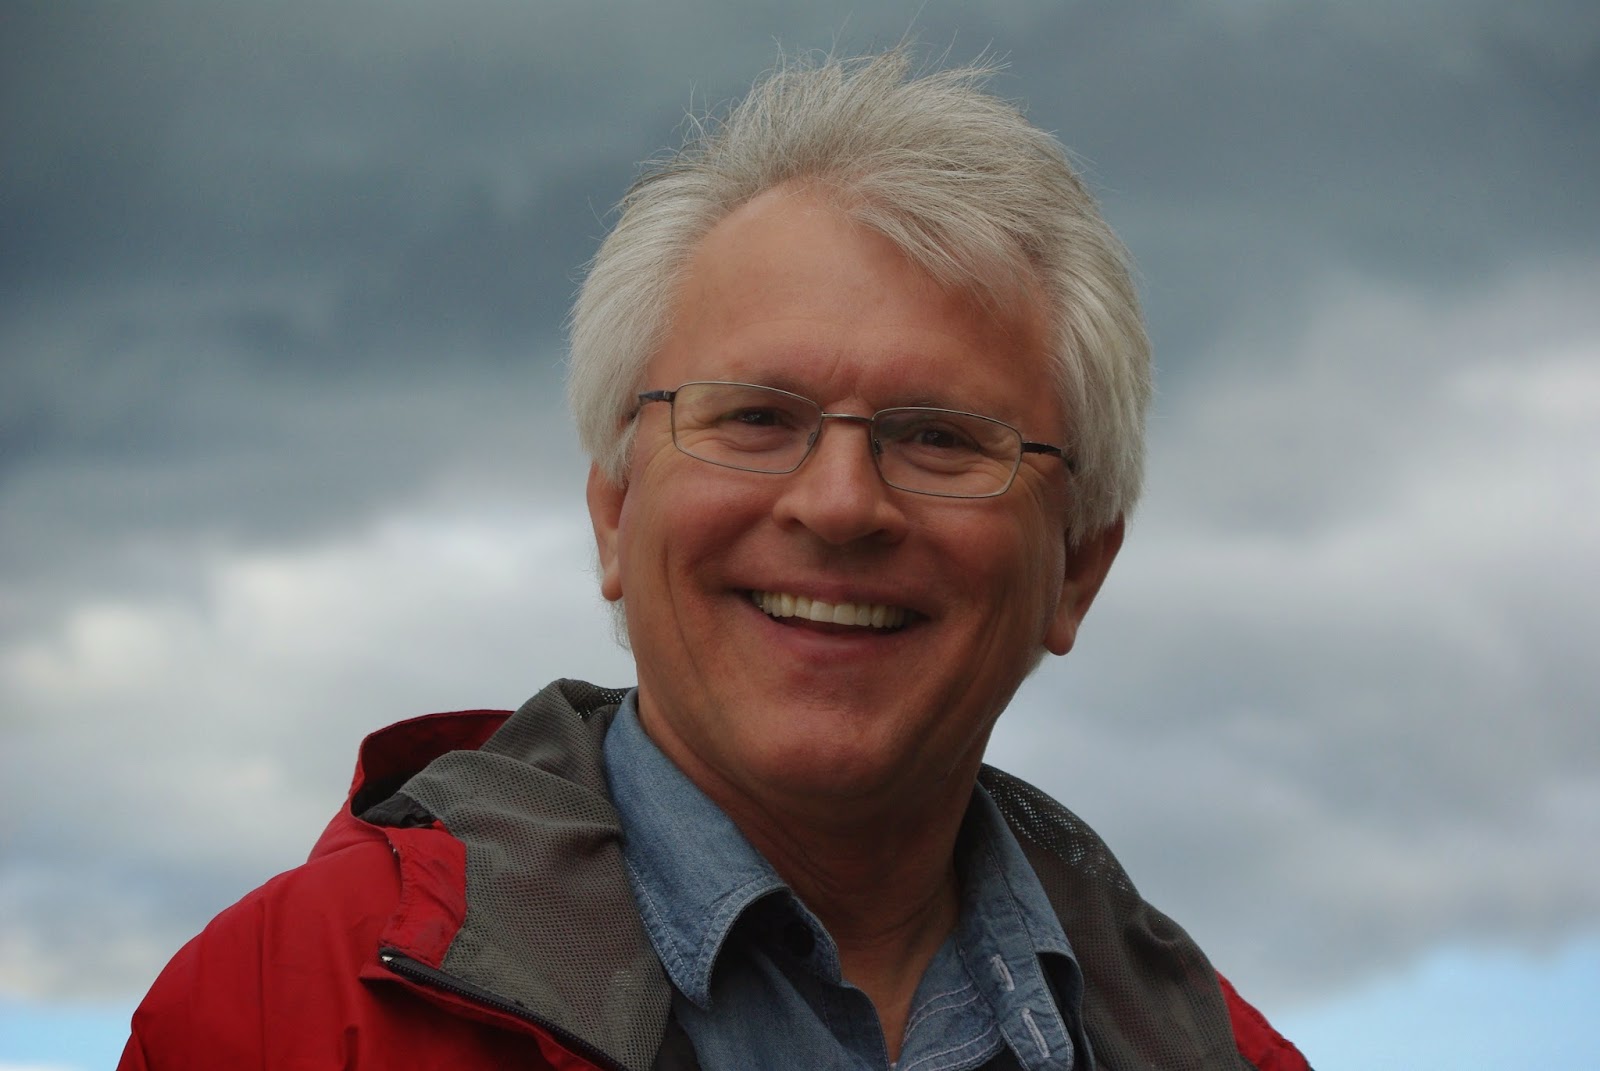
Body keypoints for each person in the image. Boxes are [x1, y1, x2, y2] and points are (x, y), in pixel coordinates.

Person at [120, 48, 1309, 1071]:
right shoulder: (281, 1013)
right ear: (614, 513)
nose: (838, 504)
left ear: (1078, 567)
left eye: (941, 439)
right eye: (753, 418)